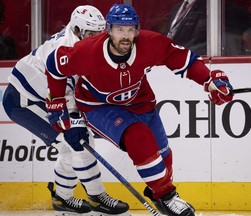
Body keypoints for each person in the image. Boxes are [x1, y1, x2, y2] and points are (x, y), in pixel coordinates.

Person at [44, 4, 233, 216]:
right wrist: (57, 102)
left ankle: (159, 194)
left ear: (137, 30)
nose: (125, 36)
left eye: (130, 29)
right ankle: (167, 195)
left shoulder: (150, 43)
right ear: (108, 30)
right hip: (99, 106)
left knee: (163, 157)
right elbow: (53, 65)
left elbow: (185, 61)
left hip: (141, 102)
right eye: (119, 29)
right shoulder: (86, 51)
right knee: (138, 136)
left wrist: (210, 80)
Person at [2, 5, 129, 216]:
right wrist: (68, 121)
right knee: (73, 144)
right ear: (78, 30)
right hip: (22, 101)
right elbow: (59, 95)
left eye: (100, 32)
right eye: (91, 33)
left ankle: (63, 199)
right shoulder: (64, 50)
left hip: (43, 96)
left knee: (79, 142)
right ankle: (96, 196)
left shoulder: (81, 43)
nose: (97, 37)